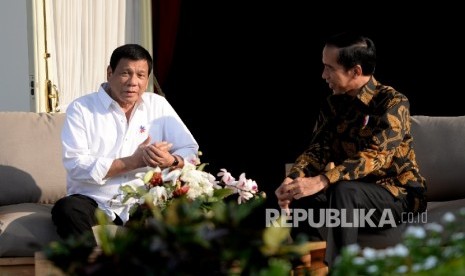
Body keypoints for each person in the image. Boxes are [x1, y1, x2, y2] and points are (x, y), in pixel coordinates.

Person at [275, 32, 426, 268]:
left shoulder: (393, 102)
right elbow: (318, 150)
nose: (323, 75)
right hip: (348, 200)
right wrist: (294, 178)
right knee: (302, 193)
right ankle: (307, 267)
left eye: (329, 68)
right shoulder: (332, 105)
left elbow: (376, 156)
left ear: (355, 71)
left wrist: (324, 179)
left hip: (398, 197)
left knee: (343, 189)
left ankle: (343, 270)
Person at [51, 44, 199, 245]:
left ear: (147, 79)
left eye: (140, 75)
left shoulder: (158, 105)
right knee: (66, 210)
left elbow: (190, 150)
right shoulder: (82, 108)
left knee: (180, 211)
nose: (133, 82)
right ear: (110, 73)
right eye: (125, 73)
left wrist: (171, 160)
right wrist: (133, 162)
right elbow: (76, 165)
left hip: (143, 199)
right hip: (94, 199)